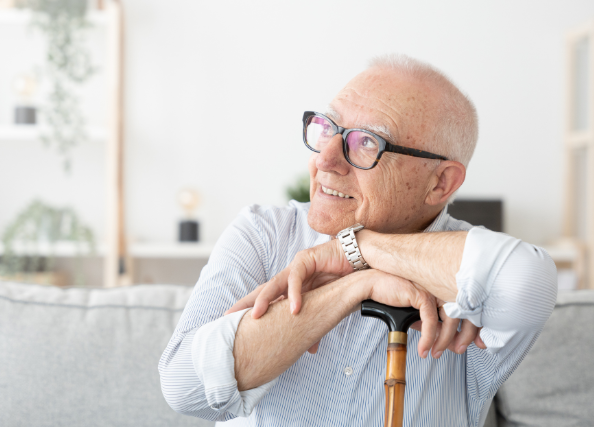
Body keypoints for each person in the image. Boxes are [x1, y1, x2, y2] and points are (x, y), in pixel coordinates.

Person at [158, 54, 557, 427]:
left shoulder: (472, 266)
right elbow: (183, 387)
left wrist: (358, 249)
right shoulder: (265, 233)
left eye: (367, 141)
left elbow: (527, 280)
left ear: (440, 183)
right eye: (327, 128)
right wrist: (355, 284)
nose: (325, 159)